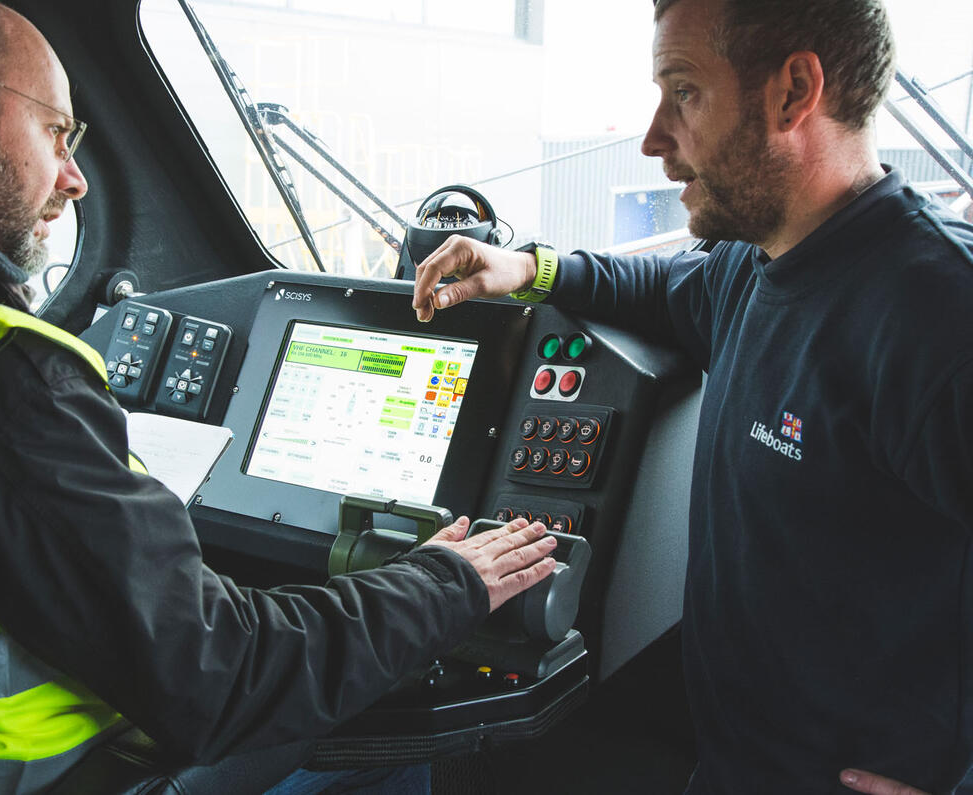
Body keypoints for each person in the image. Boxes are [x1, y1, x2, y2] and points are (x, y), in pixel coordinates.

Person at [0, 0, 560, 792]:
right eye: (56, 133)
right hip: (71, 776)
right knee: (390, 728)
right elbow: (220, 674)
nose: (74, 178)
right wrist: (441, 582)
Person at [411, 0, 973, 793]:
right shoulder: (755, 262)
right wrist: (526, 268)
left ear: (793, 92)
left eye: (684, 92)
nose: (653, 139)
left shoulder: (940, 312)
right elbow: (653, 284)